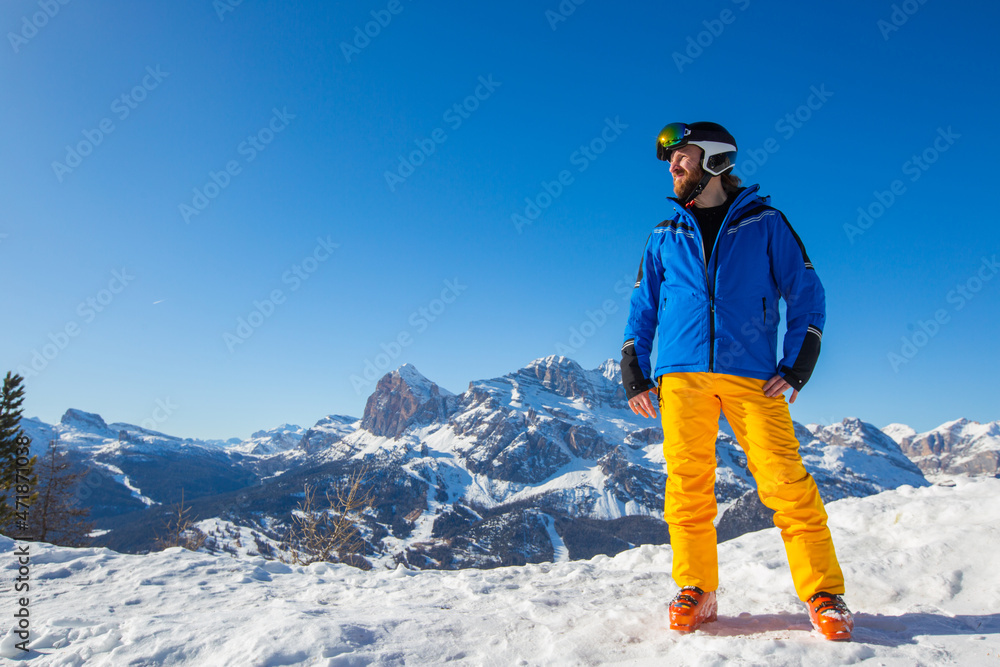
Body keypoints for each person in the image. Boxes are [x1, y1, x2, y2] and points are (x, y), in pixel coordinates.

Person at [620, 121, 853, 641]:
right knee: (687, 488)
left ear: (717, 160)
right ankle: (697, 590)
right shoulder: (664, 234)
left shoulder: (766, 223)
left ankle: (823, 594)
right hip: (681, 378)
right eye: (671, 159)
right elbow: (643, 307)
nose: (673, 166)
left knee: (787, 485)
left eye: (683, 156)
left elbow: (807, 293)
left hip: (753, 377)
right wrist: (634, 368)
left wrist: (797, 364)